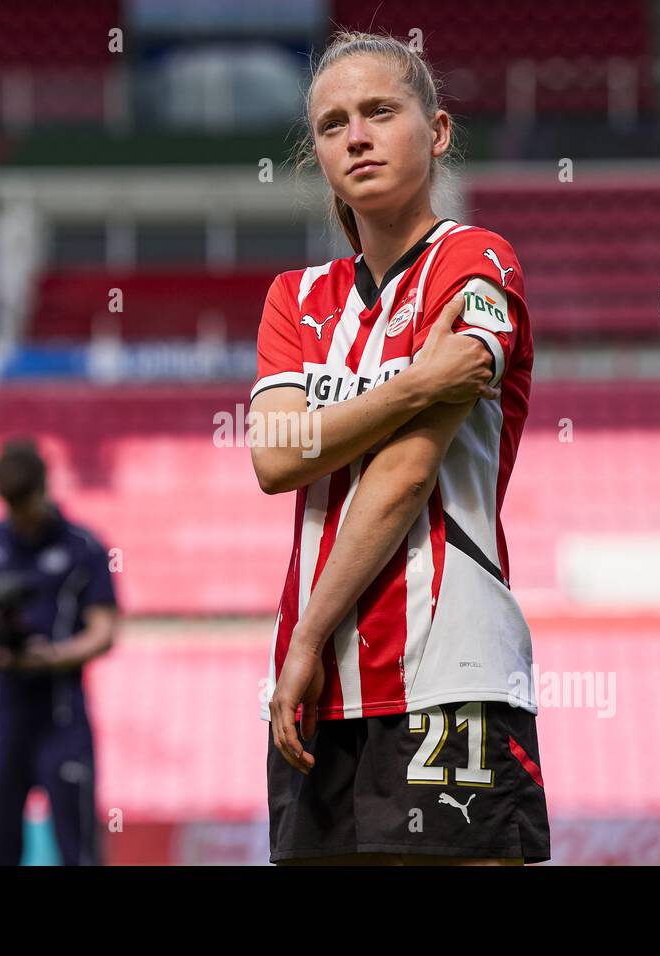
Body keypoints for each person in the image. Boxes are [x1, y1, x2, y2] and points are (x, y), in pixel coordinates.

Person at [250, 31, 549, 865]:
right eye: (332, 123)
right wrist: (419, 383)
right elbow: (275, 459)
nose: (356, 135)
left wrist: (304, 640)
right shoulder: (295, 297)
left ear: (440, 130)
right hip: (316, 683)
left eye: (381, 111)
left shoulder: (478, 260)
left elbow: (408, 471)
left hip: (447, 664)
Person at [0, 438, 119, 865]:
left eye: (23, 503)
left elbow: (104, 631)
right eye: (9, 506)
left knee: (78, 850)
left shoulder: (83, 546)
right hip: (3, 718)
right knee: (0, 849)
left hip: (61, 717)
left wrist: (55, 656)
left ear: (44, 488)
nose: (18, 516)